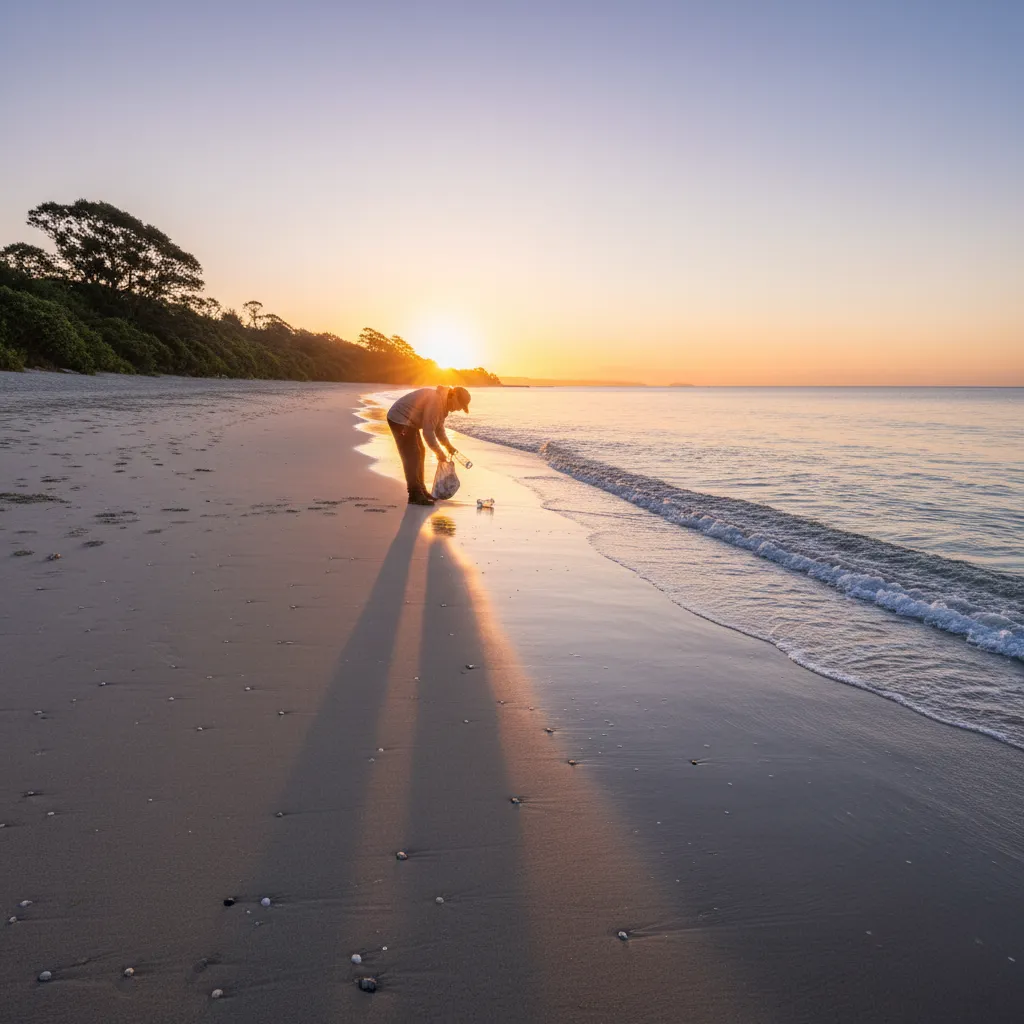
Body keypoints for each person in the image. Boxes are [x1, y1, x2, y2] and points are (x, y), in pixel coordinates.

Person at [387, 385, 471, 505]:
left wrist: (448, 446)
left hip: (410, 422)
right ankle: (414, 494)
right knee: (412, 455)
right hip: (399, 418)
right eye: (460, 406)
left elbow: (439, 430)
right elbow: (428, 432)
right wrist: (439, 453)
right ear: (454, 397)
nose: (458, 409)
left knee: (421, 451)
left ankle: (421, 490)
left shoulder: (443, 405)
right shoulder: (436, 402)